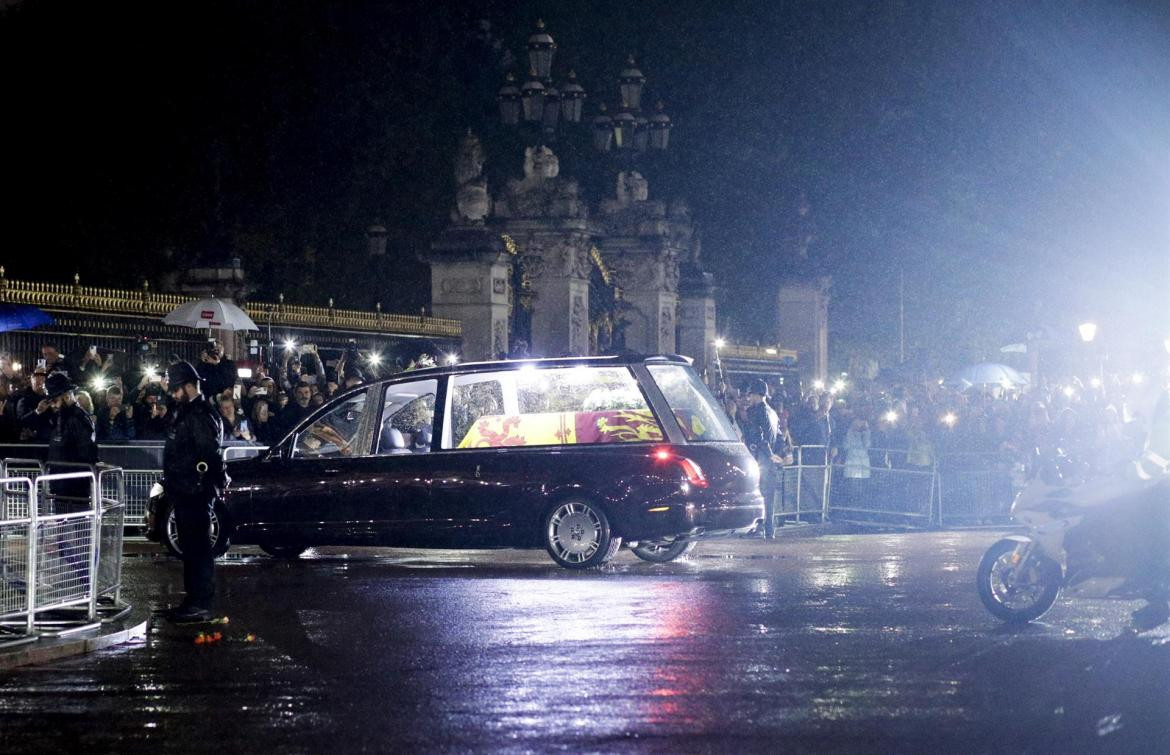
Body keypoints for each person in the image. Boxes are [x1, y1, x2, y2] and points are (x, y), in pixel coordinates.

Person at [162, 361, 227, 623]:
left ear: (188, 386)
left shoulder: (200, 414)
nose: (174, 395)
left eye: (176, 389)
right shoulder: (186, 411)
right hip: (185, 488)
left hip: (195, 491)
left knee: (198, 548)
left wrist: (203, 484)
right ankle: (193, 600)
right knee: (190, 548)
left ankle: (200, 602)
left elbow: (208, 453)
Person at [37, 373, 99, 510]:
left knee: (78, 528)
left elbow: (87, 453)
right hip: (62, 486)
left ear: (66, 396)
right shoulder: (63, 417)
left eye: (54, 400)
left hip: (75, 488)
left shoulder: (77, 419)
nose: (52, 405)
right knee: (64, 527)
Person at [740, 378, 780, 539]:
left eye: (751, 394)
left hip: (759, 457)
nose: (749, 398)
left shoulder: (757, 411)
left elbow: (760, 436)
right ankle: (769, 528)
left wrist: (767, 453)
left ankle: (758, 527)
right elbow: (779, 436)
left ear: (756, 394)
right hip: (769, 460)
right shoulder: (773, 412)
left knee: (756, 493)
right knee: (768, 496)